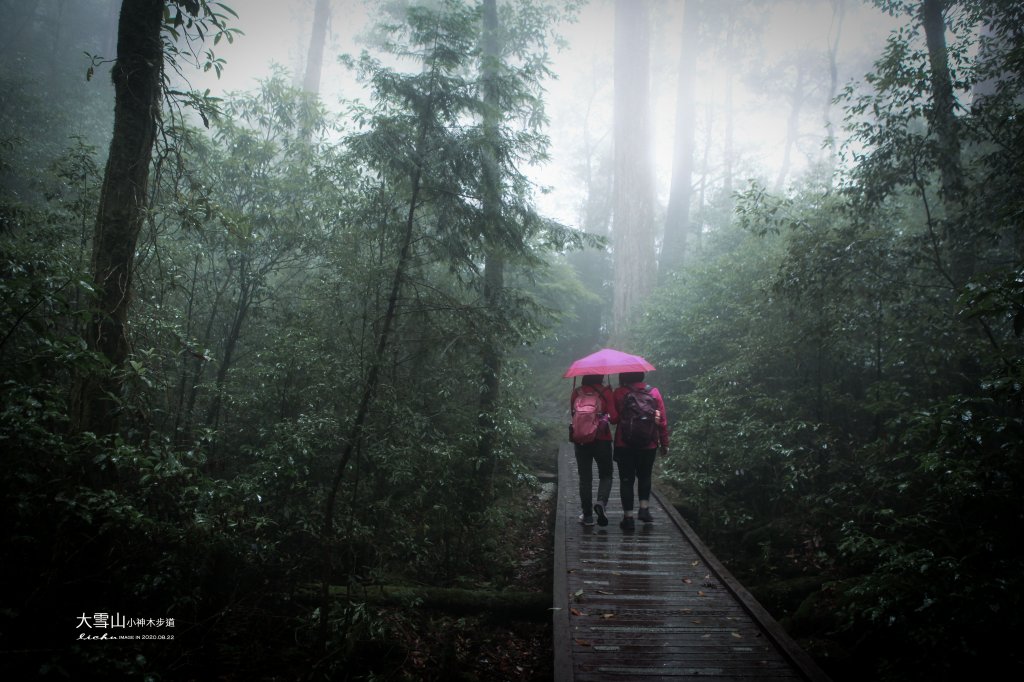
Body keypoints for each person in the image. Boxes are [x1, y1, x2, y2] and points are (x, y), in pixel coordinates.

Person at [612, 371, 669, 530]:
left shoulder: (619, 392)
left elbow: (614, 419)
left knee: (626, 480)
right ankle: (644, 509)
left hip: (624, 443)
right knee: (645, 476)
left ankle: (628, 518)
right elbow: (662, 420)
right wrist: (664, 443)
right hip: (648, 443)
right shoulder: (654, 392)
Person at [569, 374, 617, 526]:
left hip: (581, 440)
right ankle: (601, 502)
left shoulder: (577, 392)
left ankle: (587, 516)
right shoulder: (606, 392)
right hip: (602, 439)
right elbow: (614, 419)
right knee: (606, 475)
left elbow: (573, 414)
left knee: (585, 478)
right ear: (601, 375)